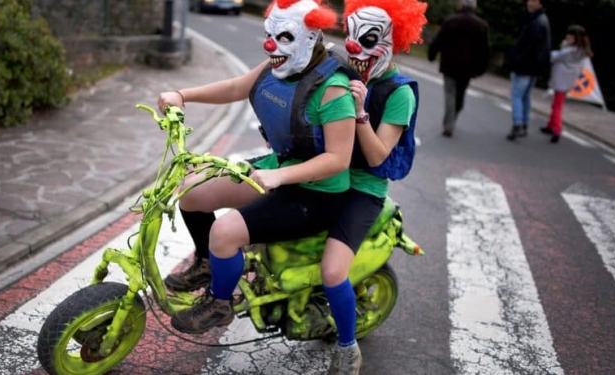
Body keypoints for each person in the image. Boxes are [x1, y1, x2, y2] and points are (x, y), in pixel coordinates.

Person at [158, 0, 359, 341]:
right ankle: (208, 264)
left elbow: (339, 159)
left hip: (317, 193)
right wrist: (182, 94)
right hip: (277, 169)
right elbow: (239, 87)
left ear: (310, 38)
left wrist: (279, 177)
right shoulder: (276, 65)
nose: (270, 46)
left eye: (283, 37)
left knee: (224, 232)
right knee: (190, 194)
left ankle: (220, 303)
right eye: (269, 36)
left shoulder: (333, 88)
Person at [318, 0, 425, 374]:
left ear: (393, 39)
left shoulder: (399, 93)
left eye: (366, 39)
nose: (352, 48)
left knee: (332, 272)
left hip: (363, 186)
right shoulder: (344, 72)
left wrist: (361, 112)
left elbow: (379, 157)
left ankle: (348, 349)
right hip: (326, 173)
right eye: (349, 36)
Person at [427, 0, 490, 138]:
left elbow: (438, 40)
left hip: (449, 65)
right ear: (474, 7)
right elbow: (484, 50)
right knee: (460, 94)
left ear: (461, 5)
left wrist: (432, 54)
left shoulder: (451, 21)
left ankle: (448, 123)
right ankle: (453, 118)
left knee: (450, 94)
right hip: (468, 69)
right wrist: (481, 68)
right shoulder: (481, 25)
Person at [506, 0, 551, 141]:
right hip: (533, 68)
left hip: (525, 67)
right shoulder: (541, 20)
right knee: (525, 96)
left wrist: (516, 61)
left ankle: (517, 125)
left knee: (516, 95)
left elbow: (529, 48)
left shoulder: (536, 22)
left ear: (541, 3)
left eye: (533, 1)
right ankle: (524, 124)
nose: (529, 3)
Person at [541, 24, 593, 143]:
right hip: (569, 80)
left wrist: (561, 47)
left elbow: (554, 57)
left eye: (569, 35)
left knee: (557, 106)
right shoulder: (582, 51)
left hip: (560, 79)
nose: (567, 37)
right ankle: (550, 125)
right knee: (556, 104)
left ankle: (556, 129)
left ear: (575, 38)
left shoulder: (568, 51)